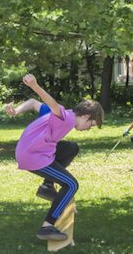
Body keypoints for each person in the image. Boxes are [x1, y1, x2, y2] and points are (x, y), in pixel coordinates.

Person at [15, 74, 104, 240]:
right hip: (34, 156)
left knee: (71, 148)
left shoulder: (65, 115)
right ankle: (47, 227)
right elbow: (53, 104)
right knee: (71, 185)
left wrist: (16, 111)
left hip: (31, 151)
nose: (88, 129)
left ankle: (47, 186)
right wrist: (34, 85)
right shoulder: (66, 117)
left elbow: (34, 104)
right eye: (90, 125)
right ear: (85, 116)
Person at [5, 98, 55, 199]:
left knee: (68, 148)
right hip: (31, 152)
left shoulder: (67, 119)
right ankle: (49, 184)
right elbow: (33, 103)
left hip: (43, 151)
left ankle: (48, 185)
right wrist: (16, 111)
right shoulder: (55, 114)